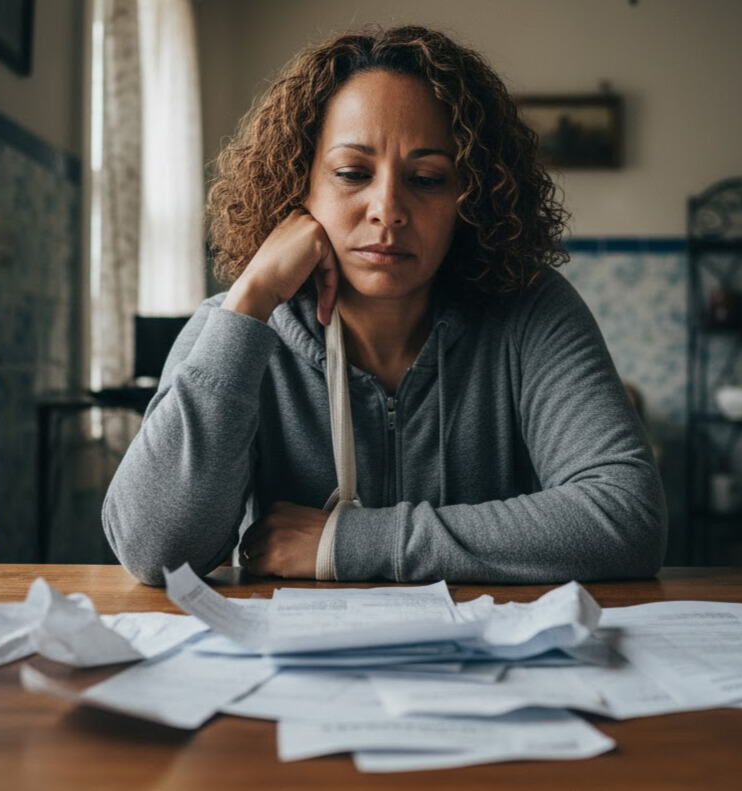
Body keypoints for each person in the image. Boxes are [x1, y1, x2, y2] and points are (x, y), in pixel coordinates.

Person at [103, 25, 666, 586]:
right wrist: (251, 299)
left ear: (470, 198)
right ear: (300, 184)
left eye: (427, 178)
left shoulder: (531, 312)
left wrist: (345, 543)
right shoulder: (233, 325)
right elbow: (157, 552)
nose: (388, 209)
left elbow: (626, 516)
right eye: (352, 174)